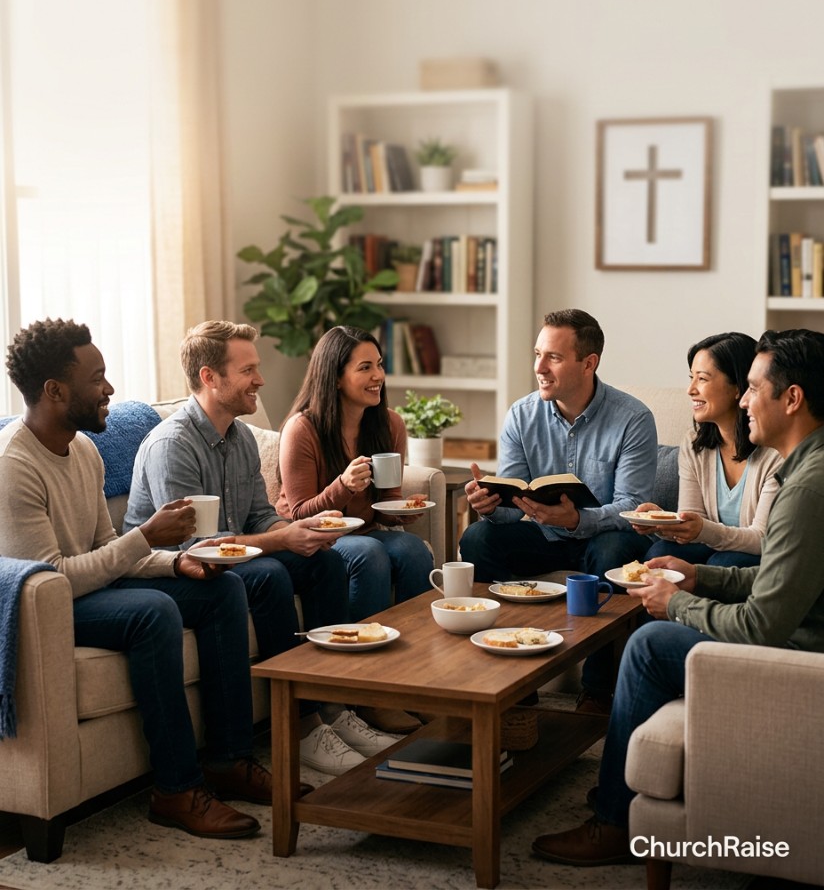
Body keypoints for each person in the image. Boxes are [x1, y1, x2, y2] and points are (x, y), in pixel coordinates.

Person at [532, 328, 824, 866]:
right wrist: (699, 579)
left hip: (803, 656)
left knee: (649, 645)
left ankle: (616, 823)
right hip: (799, 628)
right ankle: (620, 793)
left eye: (752, 389)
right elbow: (782, 579)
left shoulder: (806, 487)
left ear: (792, 397)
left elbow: (764, 625)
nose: (742, 402)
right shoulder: (806, 467)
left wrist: (679, 604)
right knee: (663, 602)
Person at [0, 318, 268, 840]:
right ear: (55, 391)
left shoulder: (84, 449)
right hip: (45, 608)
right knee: (153, 612)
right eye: (96, 377)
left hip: (86, 583)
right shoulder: (14, 466)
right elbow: (51, 579)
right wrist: (148, 538)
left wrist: (177, 562)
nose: (110, 389)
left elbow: (106, 549)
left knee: (220, 588)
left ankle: (230, 759)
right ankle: (175, 788)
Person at [124, 320, 397, 776]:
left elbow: (259, 518)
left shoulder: (241, 437)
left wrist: (302, 527)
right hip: (174, 569)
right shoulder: (173, 445)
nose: (261, 380)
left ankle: (332, 707)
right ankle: (304, 726)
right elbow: (196, 549)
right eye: (249, 370)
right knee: (270, 576)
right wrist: (281, 537)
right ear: (210, 377)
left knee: (323, 562)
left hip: (231, 561)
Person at [459, 309, 656, 711]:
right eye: (537, 355)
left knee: (615, 553)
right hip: (544, 535)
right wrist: (489, 504)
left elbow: (634, 506)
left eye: (553, 357)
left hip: (601, 537)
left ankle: (598, 690)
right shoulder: (521, 414)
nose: (539, 368)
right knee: (478, 538)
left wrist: (579, 519)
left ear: (589, 363)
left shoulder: (633, 418)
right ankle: (513, 676)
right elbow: (514, 507)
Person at [276, 325, 433, 733]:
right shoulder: (302, 429)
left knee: (414, 551)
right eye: (365, 367)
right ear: (335, 377)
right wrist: (342, 487)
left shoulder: (389, 424)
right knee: (370, 553)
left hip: (363, 531)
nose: (378, 375)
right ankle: (367, 694)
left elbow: (384, 507)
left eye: (379, 364)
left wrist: (401, 512)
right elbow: (298, 516)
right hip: (314, 536)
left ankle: (416, 682)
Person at [632, 332, 781, 567]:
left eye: (702, 379)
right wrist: (664, 522)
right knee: (659, 553)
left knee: (724, 561)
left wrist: (702, 529)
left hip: (754, 555)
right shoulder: (694, 444)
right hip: (711, 549)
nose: (690, 389)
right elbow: (694, 523)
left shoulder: (775, 452)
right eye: (691, 377)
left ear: (738, 388)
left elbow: (763, 539)